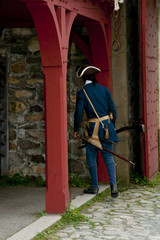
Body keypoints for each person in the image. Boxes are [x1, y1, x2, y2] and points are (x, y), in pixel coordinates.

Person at [73, 65, 119, 198]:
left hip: (93, 128)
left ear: (83, 78)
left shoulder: (82, 92)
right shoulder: (105, 90)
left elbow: (78, 113)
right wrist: (112, 126)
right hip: (107, 127)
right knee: (108, 156)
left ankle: (94, 186)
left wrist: (76, 129)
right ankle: (114, 185)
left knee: (91, 156)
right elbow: (113, 111)